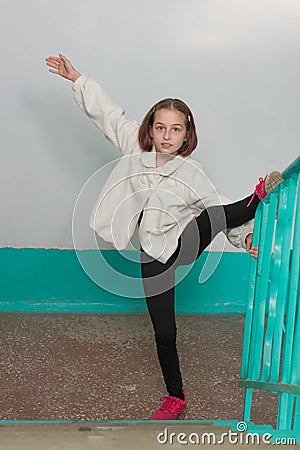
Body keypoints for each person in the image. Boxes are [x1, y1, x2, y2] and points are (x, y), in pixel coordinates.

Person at [45, 54, 283, 420]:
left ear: (187, 134)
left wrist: (245, 240)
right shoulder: (134, 153)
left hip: (186, 244)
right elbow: (109, 115)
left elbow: (216, 208)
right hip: (153, 255)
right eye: (160, 128)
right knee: (164, 332)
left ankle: (257, 198)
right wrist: (77, 78)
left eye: (175, 130)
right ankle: (175, 396)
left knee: (209, 214)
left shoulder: (191, 171)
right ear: (151, 130)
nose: (167, 136)